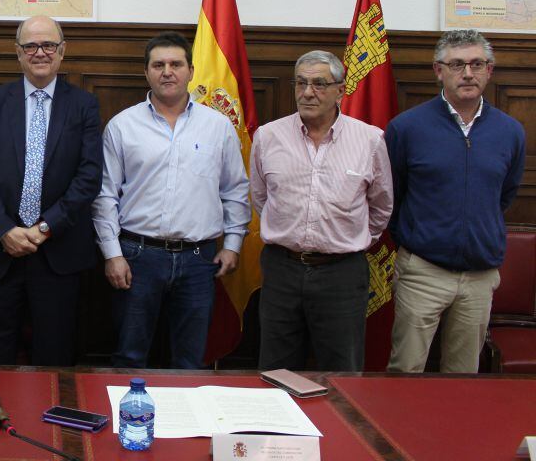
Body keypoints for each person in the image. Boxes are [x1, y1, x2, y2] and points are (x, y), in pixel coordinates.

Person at [93, 32, 249, 369]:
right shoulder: (122, 126)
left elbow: (235, 189)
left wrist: (233, 244)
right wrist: (112, 255)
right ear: (146, 72)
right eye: (158, 65)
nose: (168, 71)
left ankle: (187, 423)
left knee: (191, 360)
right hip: (137, 257)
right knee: (129, 355)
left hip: (199, 260)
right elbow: (105, 196)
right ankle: (127, 421)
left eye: (176, 64)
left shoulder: (218, 127)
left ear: (191, 70)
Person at [0, 15, 102, 366]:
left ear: (62, 51)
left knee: (54, 357)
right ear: (18, 53)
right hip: (1, 251)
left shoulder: (83, 105)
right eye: (31, 46)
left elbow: (88, 176)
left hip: (59, 250)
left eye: (48, 45)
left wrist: (44, 227)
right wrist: (5, 230)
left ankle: (50, 424)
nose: (40, 52)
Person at [386, 29, 525, 373]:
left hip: (479, 275)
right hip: (423, 271)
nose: (468, 73)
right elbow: (392, 194)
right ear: (439, 70)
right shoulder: (407, 128)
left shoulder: (510, 131)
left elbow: (504, 194)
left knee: (464, 378)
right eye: (458, 64)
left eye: (477, 64)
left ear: (490, 70)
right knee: (405, 371)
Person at [250, 50, 393, 372]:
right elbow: (261, 197)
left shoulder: (369, 140)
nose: (307, 93)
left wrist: (347, 239)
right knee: (276, 369)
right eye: (300, 83)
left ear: (340, 91)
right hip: (282, 267)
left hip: (341, 272)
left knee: (342, 369)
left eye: (318, 84)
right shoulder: (268, 137)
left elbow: (382, 206)